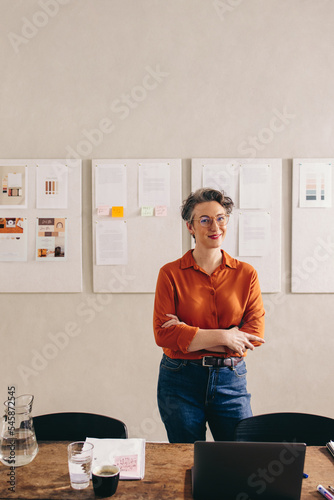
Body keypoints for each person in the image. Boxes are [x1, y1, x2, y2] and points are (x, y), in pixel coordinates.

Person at [153, 188, 265, 443]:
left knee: (239, 460)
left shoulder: (246, 274)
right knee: (186, 459)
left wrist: (187, 334)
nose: (215, 226)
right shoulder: (170, 274)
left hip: (230, 379)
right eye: (204, 220)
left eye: (221, 218)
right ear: (190, 227)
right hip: (180, 379)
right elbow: (164, 334)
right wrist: (227, 337)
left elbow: (254, 336)